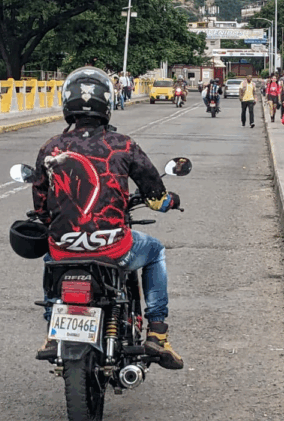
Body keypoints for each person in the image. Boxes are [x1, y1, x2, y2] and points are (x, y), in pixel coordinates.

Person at [31, 67, 184, 370]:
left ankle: (52, 330)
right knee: (154, 251)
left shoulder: (50, 148)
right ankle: (156, 331)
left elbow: (40, 208)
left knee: (50, 251)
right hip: (113, 248)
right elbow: (155, 195)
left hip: (66, 248)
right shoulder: (123, 144)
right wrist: (168, 202)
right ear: (108, 103)